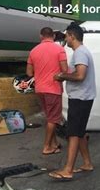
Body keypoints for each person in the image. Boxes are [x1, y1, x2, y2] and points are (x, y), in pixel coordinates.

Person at [49, 23, 96, 181]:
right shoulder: (82, 51)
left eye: (67, 36)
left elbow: (80, 75)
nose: (66, 39)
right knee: (80, 131)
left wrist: (61, 76)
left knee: (73, 133)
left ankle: (67, 169)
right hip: (83, 97)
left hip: (80, 98)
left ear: (72, 36)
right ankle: (87, 163)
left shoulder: (80, 53)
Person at [26, 27, 68, 155]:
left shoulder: (33, 51)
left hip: (40, 89)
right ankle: (47, 147)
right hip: (53, 89)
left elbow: (29, 73)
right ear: (53, 36)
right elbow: (65, 70)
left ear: (41, 36)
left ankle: (54, 144)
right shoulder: (59, 49)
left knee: (50, 118)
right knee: (53, 119)